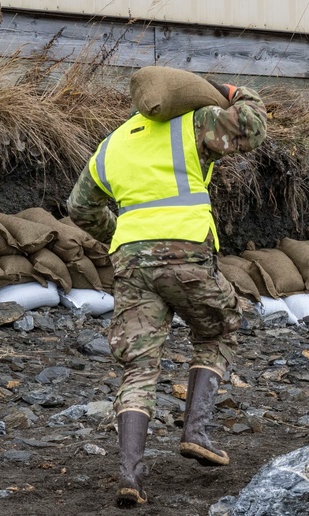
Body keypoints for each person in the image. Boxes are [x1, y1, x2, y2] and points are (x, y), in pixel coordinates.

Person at [66, 76, 267, 507]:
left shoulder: (112, 143)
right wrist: (235, 93)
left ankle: (130, 477)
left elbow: (78, 207)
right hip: (184, 251)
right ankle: (195, 432)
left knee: (139, 365)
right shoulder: (194, 123)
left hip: (131, 260)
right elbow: (251, 127)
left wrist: (120, 231)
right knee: (219, 328)